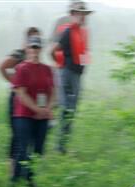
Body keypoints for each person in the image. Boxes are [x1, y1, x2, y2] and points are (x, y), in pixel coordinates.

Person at [12, 35, 55, 187]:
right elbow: (20, 93)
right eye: (32, 47)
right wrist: (37, 109)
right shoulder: (22, 68)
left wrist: (48, 108)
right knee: (23, 149)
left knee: (38, 150)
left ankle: (30, 180)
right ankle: (15, 181)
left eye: (37, 47)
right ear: (27, 49)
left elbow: (53, 91)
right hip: (24, 115)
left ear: (41, 49)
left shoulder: (47, 69)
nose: (34, 50)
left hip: (42, 116)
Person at [51, 1, 92, 154]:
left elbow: (84, 52)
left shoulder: (83, 32)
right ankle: (60, 146)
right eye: (80, 13)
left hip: (76, 74)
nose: (83, 16)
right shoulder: (66, 30)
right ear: (73, 14)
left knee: (71, 110)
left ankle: (62, 145)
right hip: (67, 72)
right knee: (66, 109)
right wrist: (60, 67)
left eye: (84, 14)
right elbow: (53, 50)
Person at [0, 27, 40, 173]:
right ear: (26, 39)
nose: (35, 42)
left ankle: (23, 170)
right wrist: (13, 82)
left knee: (27, 135)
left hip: (30, 101)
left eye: (38, 38)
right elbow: (2, 66)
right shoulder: (19, 54)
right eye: (33, 38)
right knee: (17, 135)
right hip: (17, 100)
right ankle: (12, 171)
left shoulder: (34, 56)